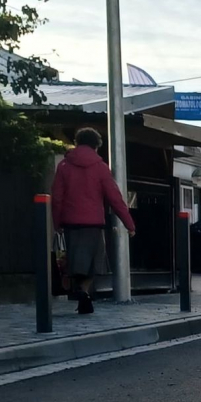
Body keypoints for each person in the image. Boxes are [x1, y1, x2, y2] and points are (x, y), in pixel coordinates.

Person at [49, 127, 136, 314]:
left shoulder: (64, 166)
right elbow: (114, 198)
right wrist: (129, 223)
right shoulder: (100, 168)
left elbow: (56, 197)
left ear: (77, 142)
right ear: (96, 145)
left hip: (70, 223)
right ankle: (84, 291)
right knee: (92, 262)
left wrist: (57, 223)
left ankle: (80, 292)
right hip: (94, 223)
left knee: (74, 261)